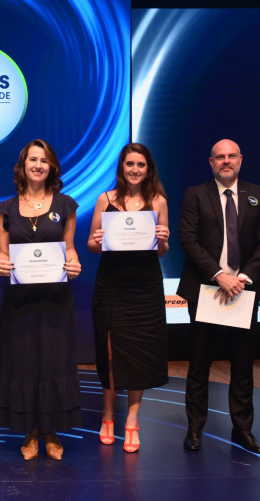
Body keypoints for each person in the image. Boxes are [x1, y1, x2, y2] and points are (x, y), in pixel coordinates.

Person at [177, 139, 260, 454]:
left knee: (243, 366)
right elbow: (189, 241)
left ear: (241, 160)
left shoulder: (258, 194)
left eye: (231, 156)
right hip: (206, 289)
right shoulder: (195, 195)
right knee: (199, 364)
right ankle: (194, 429)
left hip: (243, 292)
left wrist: (241, 279)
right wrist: (219, 276)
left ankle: (243, 430)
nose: (226, 161)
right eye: (220, 157)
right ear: (211, 162)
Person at [0, 139, 83, 461]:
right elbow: (3, 253)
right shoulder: (5, 208)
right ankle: (30, 431)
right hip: (19, 303)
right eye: (33, 159)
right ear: (23, 165)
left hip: (56, 301)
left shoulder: (66, 205)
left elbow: (69, 248)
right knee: (24, 362)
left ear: (52, 167)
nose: (38, 165)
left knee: (53, 362)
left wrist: (74, 263)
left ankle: (51, 431)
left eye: (44, 160)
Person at [87, 143, 170, 453]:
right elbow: (93, 246)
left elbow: (162, 250)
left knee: (140, 354)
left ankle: (132, 420)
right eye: (130, 164)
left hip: (145, 286)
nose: (135, 169)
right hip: (112, 285)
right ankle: (108, 416)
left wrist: (163, 241)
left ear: (149, 169)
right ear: (121, 167)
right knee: (109, 354)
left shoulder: (158, 201)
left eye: (141, 165)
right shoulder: (104, 200)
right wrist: (95, 240)